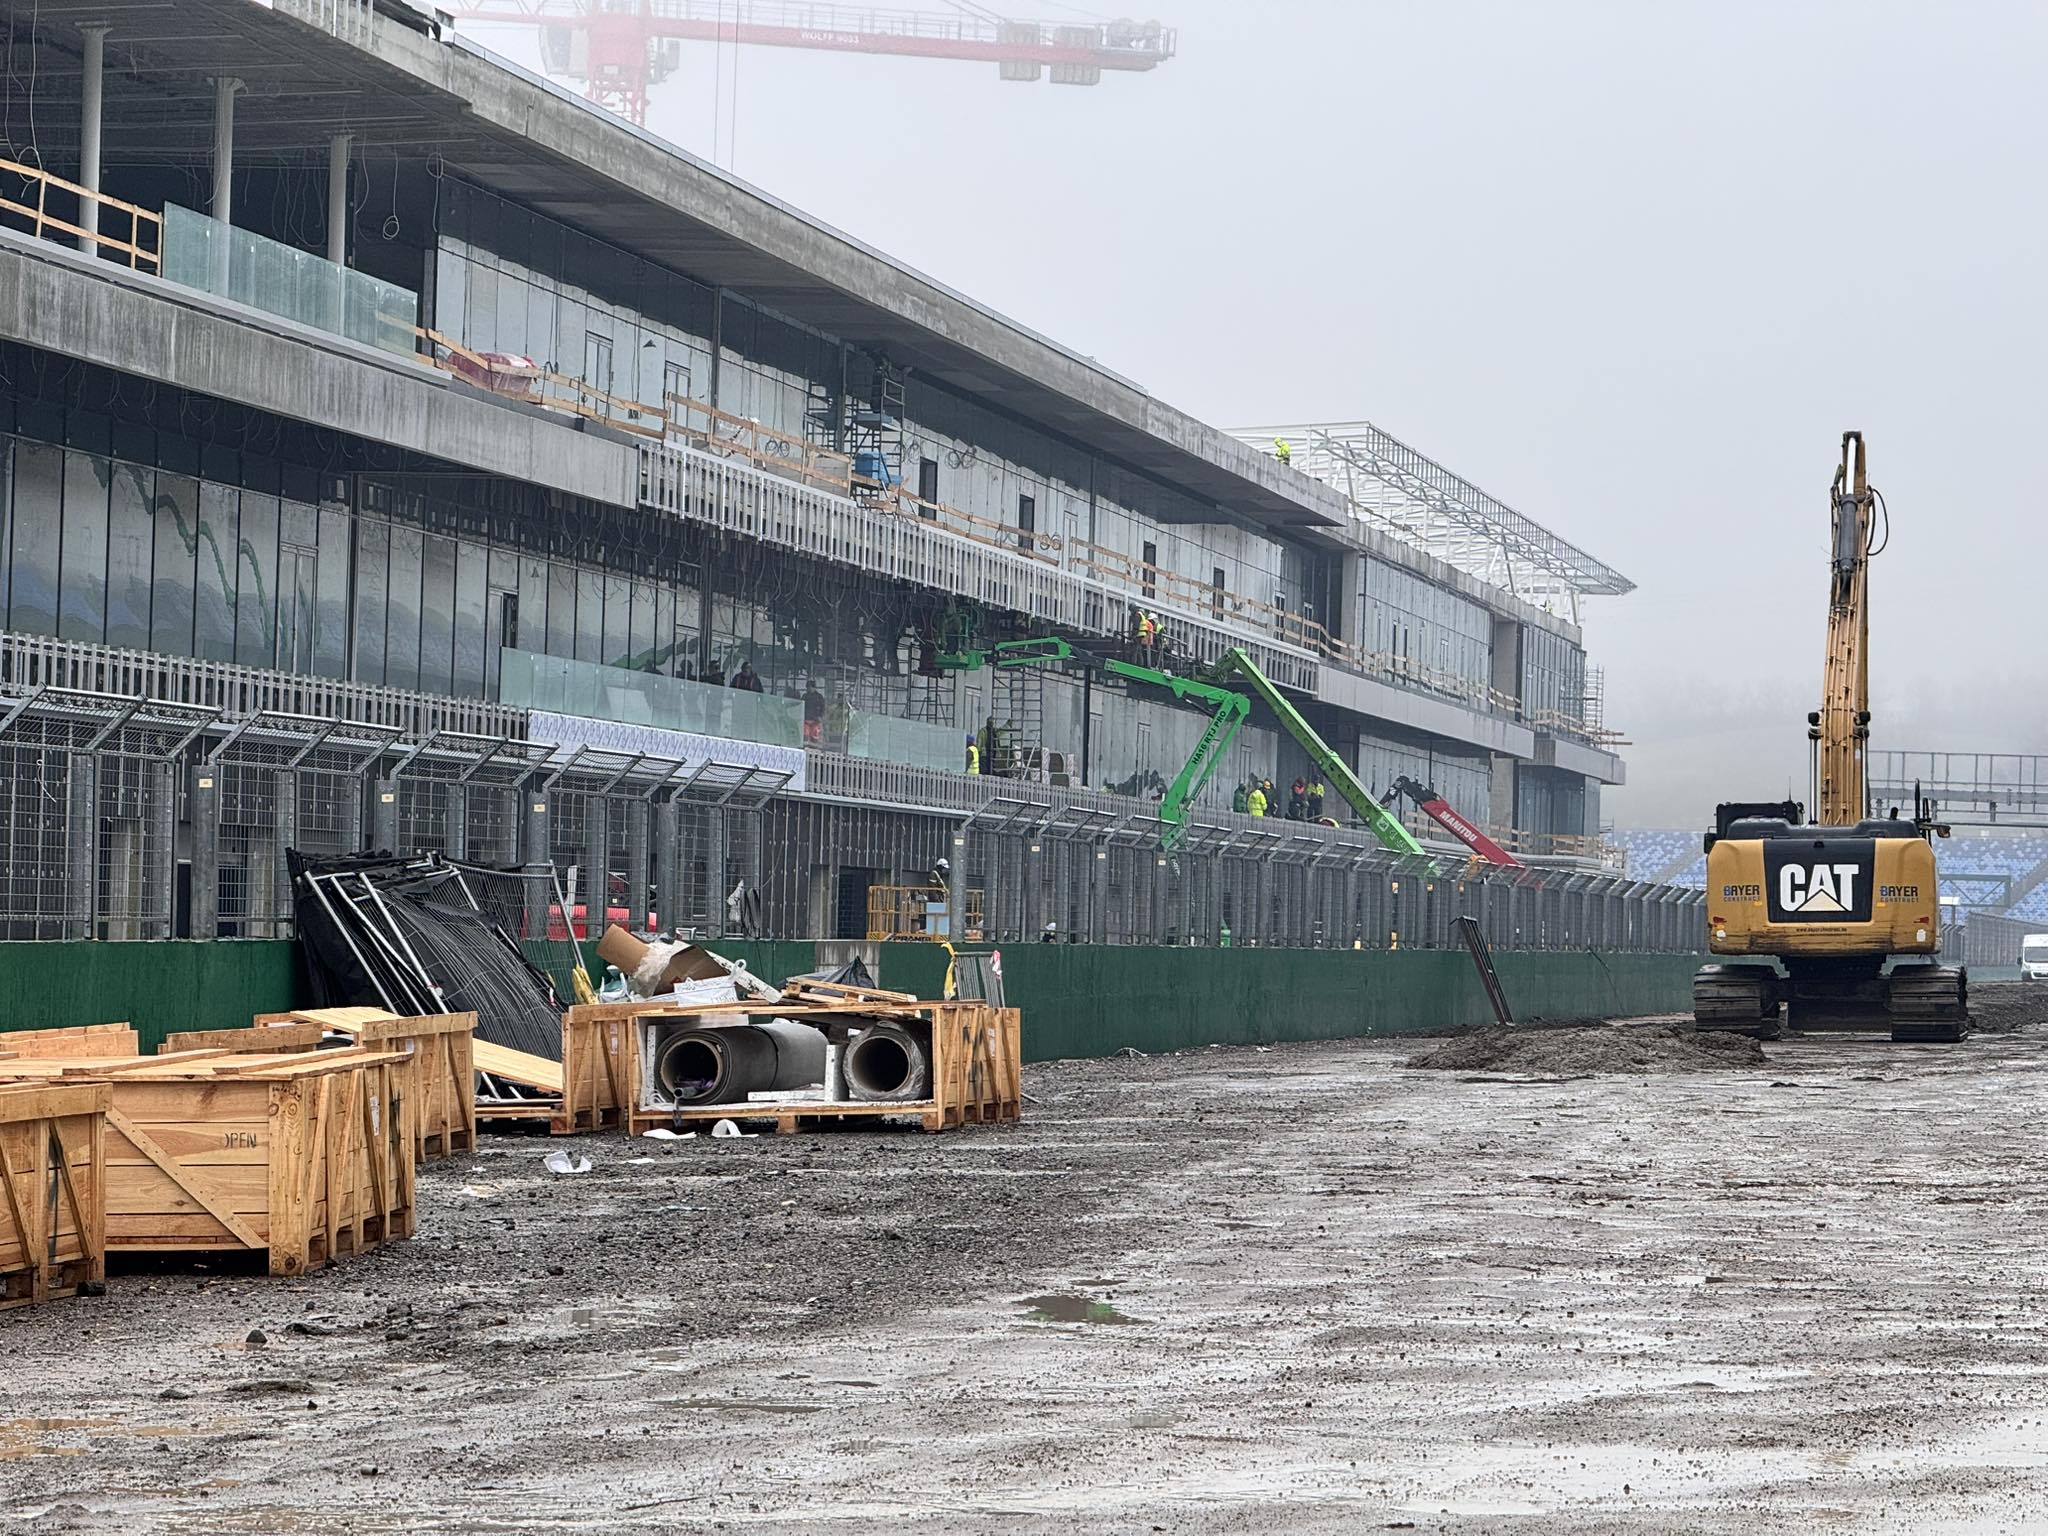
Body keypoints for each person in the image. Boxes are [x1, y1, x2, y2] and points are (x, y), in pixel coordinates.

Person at [802, 680, 826, 745]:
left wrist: (820, 717)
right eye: (808, 687)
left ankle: (814, 748)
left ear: (814, 688)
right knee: (805, 735)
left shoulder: (819, 697)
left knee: (815, 736)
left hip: (815, 720)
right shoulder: (804, 696)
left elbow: (823, 708)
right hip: (806, 719)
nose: (809, 689)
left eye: (810, 687)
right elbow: (801, 706)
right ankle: (806, 747)